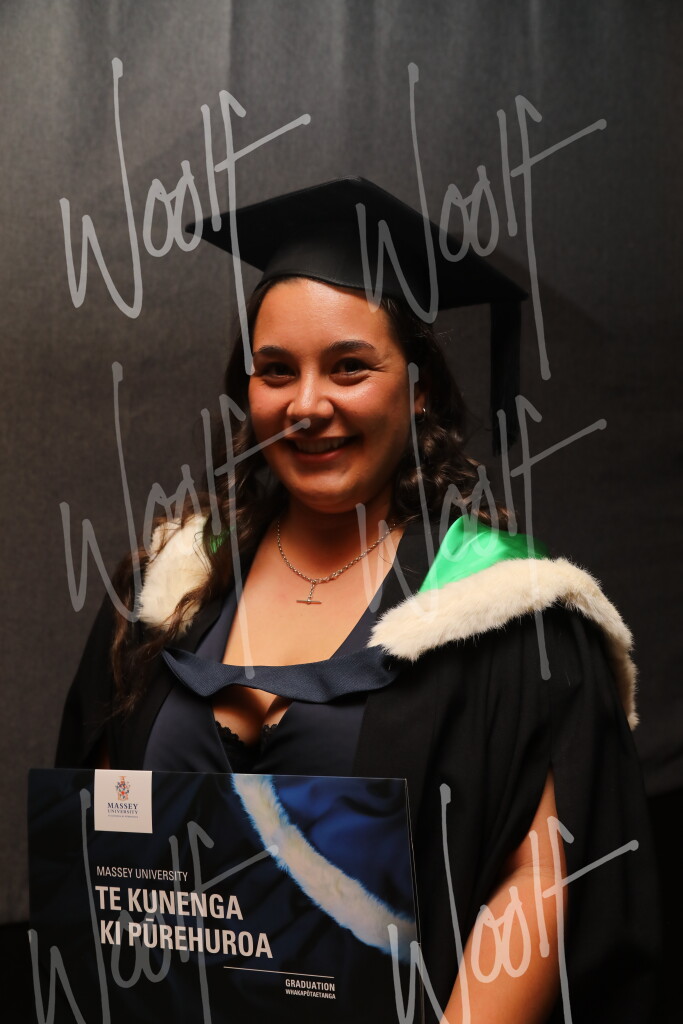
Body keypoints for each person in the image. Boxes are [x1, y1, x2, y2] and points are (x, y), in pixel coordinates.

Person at [56, 178, 658, 1022]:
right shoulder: (165, 592)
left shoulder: (506, 612)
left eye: (348, 367)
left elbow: (540, 878)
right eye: (276, 371)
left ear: (417, 386)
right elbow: (94, 844)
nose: (306, 405)